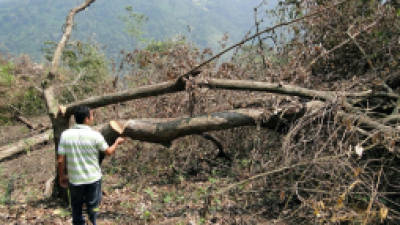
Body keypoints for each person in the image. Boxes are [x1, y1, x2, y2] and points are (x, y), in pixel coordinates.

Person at [57, 105, 125, 225]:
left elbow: (61, 160)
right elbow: (108, 152)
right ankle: (92, 221)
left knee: (76, 207)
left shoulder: (65, 135)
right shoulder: (95, 135)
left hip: (75, 179)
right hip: (93, 179)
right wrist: (117, 142)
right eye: (92, 115)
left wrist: (61, 176)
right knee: (93, 206)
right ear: (87, 119)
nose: (93, 117)